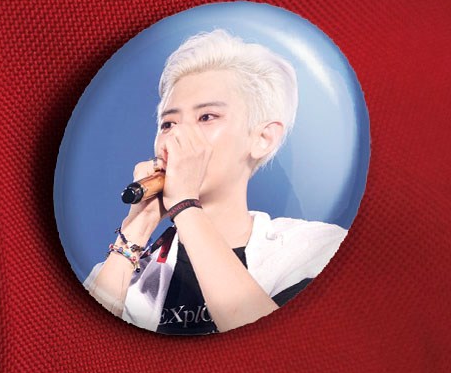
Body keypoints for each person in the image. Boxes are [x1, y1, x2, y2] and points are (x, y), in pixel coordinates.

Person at [83, 28, 346, 334]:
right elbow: (78, 347)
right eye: (168, 123)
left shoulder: (316, 249)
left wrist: (184, 206)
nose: (177, 137)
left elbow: (274, 347)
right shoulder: (124, 271)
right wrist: (135, 231)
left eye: (206, 117)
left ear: (263, 138)